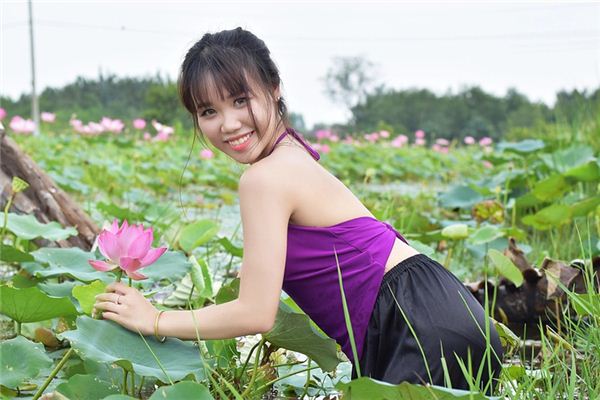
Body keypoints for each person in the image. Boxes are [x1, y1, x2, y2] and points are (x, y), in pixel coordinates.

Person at [93, 27, 503, 393]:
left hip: (415, 324)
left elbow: (255, 312)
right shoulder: (293, 152)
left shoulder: (263, 178)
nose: (229, 123)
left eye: (240, 100)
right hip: (443, 308)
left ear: (273, 88)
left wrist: (156, 319)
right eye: (208, 111)